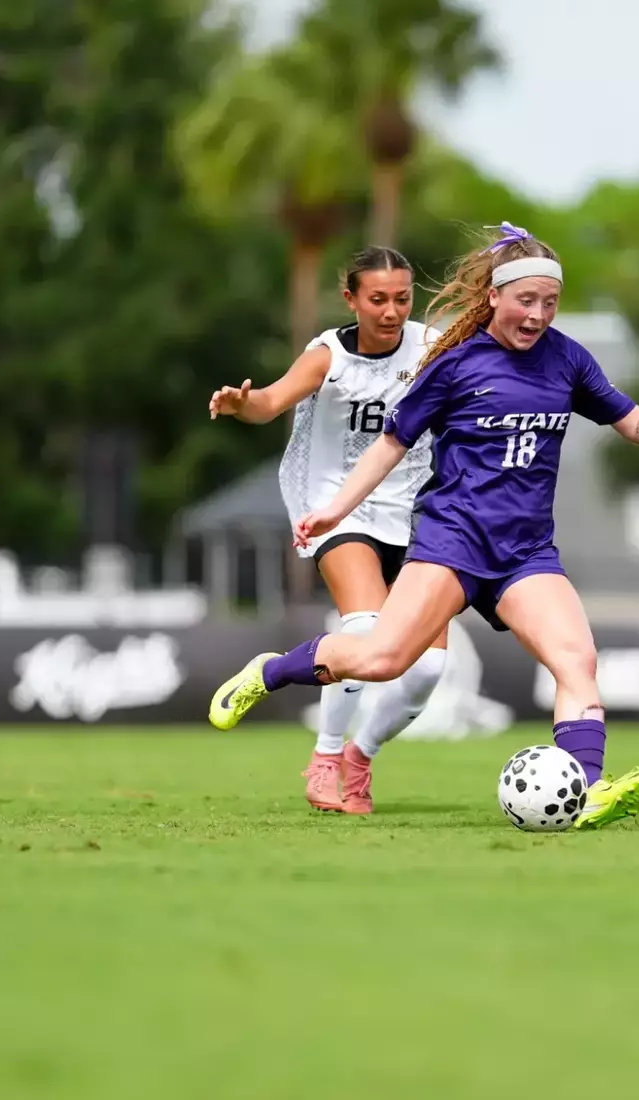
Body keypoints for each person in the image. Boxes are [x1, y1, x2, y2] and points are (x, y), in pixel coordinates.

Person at [209, 222, 639, 830]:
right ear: (494, 296)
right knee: (384, 658)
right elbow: (389, 446)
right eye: (526, 300)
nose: (539, 314)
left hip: (525, 553)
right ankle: (271, 670)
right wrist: (335, 509)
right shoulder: (453, 365)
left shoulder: (567, 359)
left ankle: (587, 787)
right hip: (452, 542)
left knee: (577, 661)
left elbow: (633, 421)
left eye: (550, 302)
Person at [207, 246, 447, 816]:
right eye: (378, 299)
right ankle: (326, 757)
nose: (392, 311)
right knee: (364, 634)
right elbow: (268, 403)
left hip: (418, 514)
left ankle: (360, 758)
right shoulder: (328, 356)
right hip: (340, 510)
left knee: (428, 670)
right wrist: (243, 404)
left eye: (403, 298)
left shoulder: (433, 347)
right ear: (351, 299)